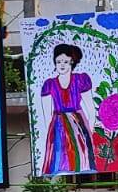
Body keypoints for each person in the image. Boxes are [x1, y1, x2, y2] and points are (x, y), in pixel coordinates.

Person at [38, 43, 96, 173]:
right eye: (58, 62)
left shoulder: (80, 80)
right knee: (59, 158)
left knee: (81, 159)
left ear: (72, 61)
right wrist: (49, 133)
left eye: (65, 61)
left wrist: (89, 129)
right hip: (58, 124)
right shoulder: (49, 84)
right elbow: (46, 114)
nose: (62, 65)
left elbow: (91, 108)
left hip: (78, 123)